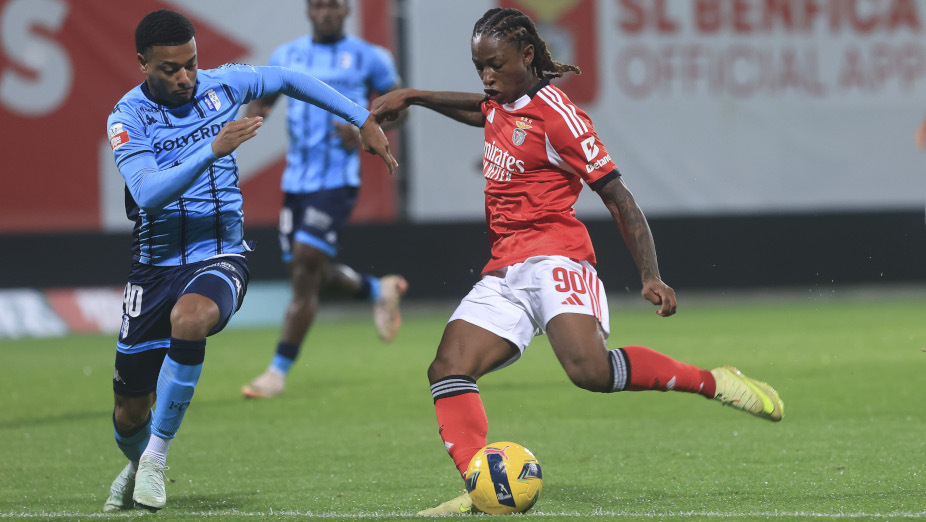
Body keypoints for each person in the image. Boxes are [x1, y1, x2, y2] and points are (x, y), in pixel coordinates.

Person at [371, 7, 785, 515]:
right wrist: (414, 96)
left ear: (527, 56)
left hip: (555, 256)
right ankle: (484, 486)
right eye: (479, 66)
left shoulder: (558, 115)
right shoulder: (501, 100)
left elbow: (618, 196)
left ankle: (714, 381)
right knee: (448, 368)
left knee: (589, 371)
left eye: (494, 65)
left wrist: (650, 274)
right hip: (505, 268)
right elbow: (480, 109)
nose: (486, 77)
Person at [103, 8, 396, 512]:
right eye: (170, 69)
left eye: (191, 63)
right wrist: (211, 150)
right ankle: (136, 460)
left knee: (190, 319)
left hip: (218, 253)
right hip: (152, 267)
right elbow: (148, 193)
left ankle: (155, 458)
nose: (185, 78)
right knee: (128, 416)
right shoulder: (126, 117)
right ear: (142, 64)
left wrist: (361, 116)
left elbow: (289, 79)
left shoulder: (223, 86)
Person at [240, 0, 408, 400]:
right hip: (296, 181)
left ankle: (277, 371)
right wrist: (248, 121)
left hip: (337, 180)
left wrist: (365, 126)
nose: (326, 13)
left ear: (346, 10)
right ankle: (375, 290)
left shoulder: (371, 57)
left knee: (304, 266)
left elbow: (400, 111)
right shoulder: (287, 55)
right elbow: (264, 99)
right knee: (308, 272)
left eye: (333, 6)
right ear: (309, 11)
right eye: (319, 6)